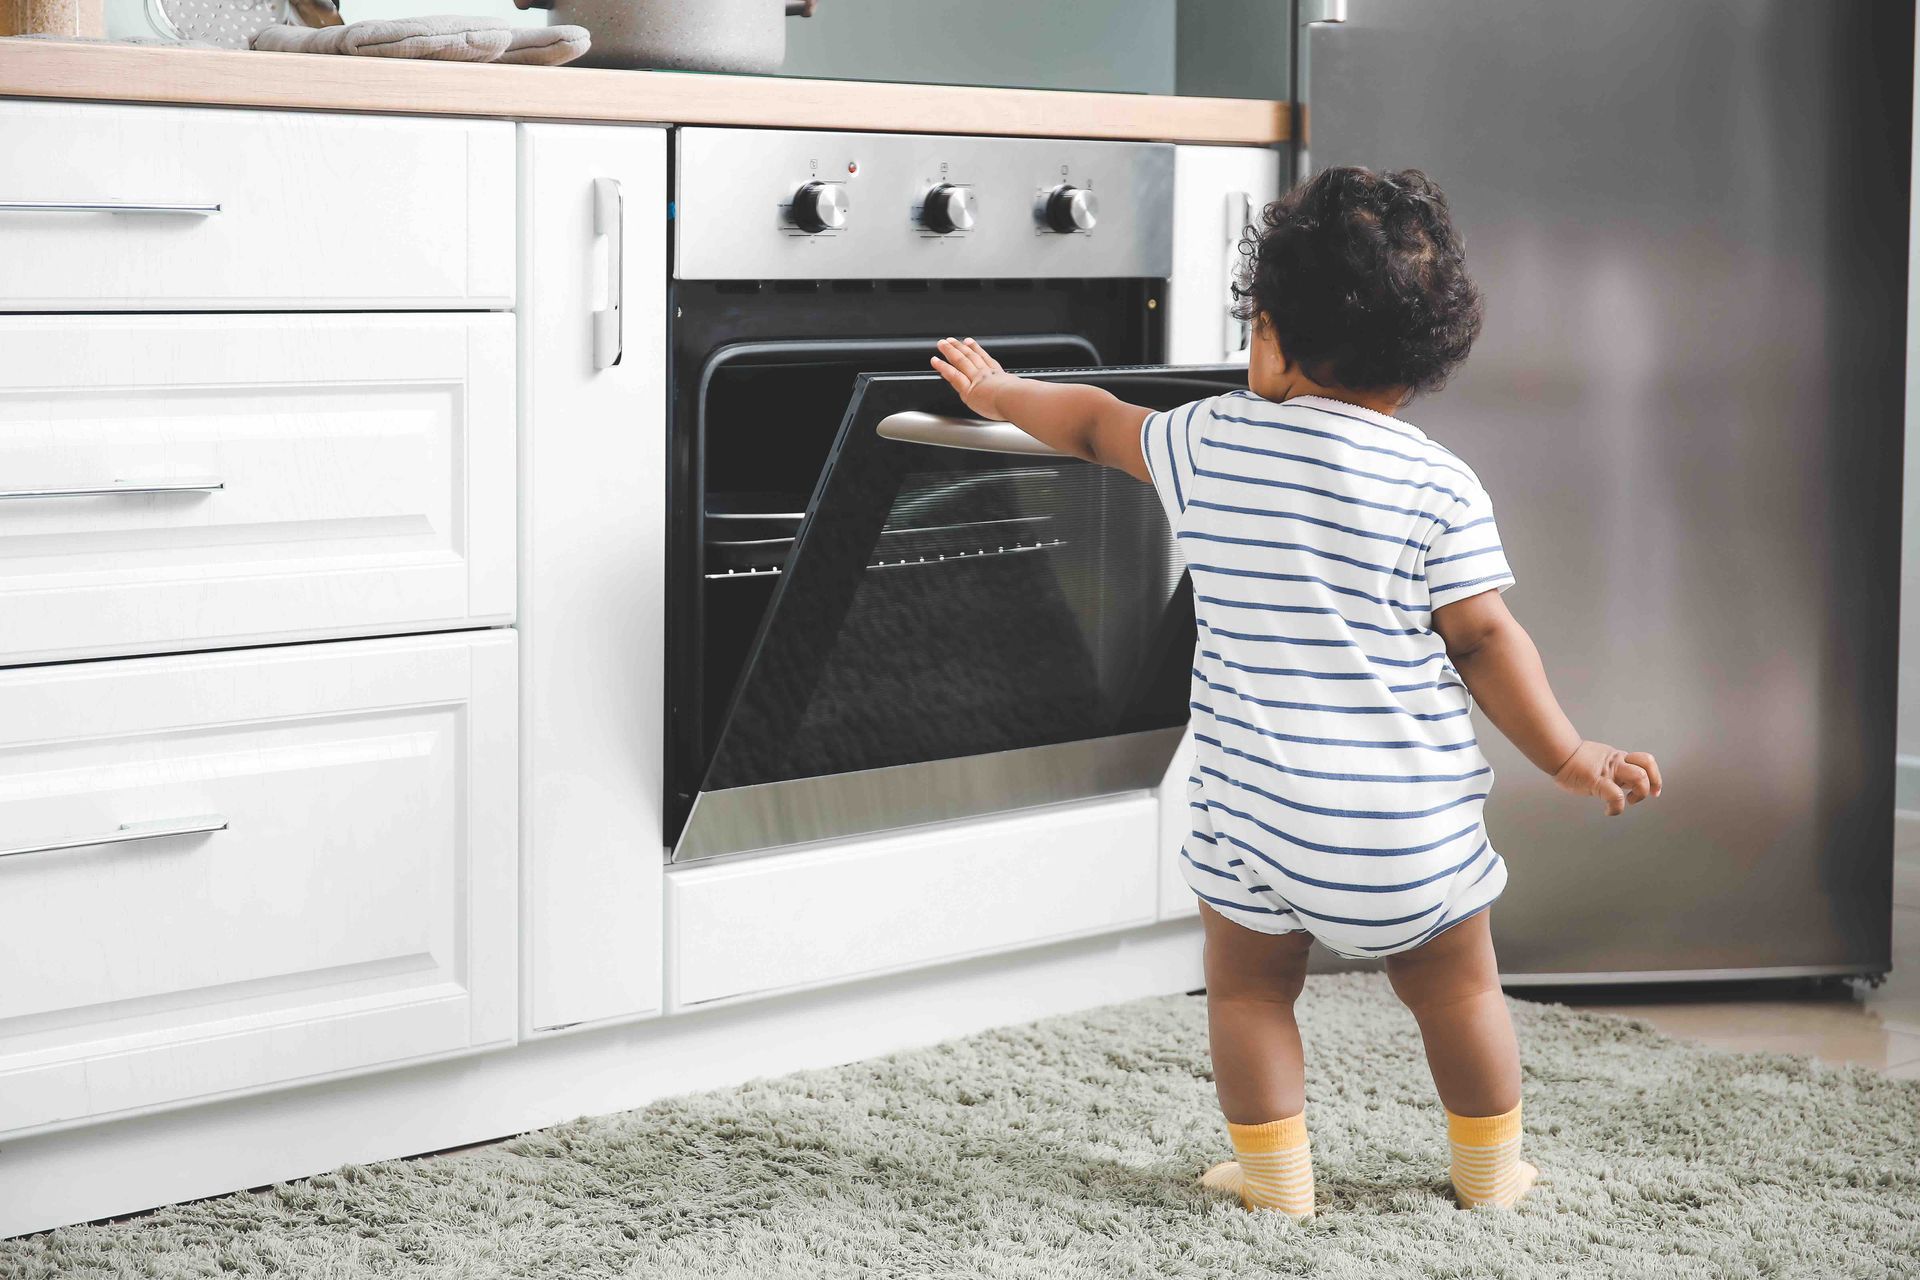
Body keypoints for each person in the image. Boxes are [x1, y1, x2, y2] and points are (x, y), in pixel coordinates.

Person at [929, 165, 1662, 1218]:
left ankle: (1277, 1181)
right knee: (1458, 988)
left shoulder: (1210, 440)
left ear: (1266, 334)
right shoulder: (1438, 484)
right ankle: (1489, 1173)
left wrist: (999, 392)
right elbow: (1486, 637)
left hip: (1259, 816)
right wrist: (1567, 751)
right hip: (1408, 823)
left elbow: (1092, 420)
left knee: (1250, 990)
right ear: (1424, 363)